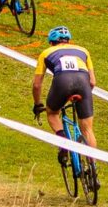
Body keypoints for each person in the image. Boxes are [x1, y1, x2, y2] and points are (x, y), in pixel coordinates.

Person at [32, 27, 98, 160]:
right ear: (69, 40)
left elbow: (37, 84)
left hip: (62, 81)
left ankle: (63, 143)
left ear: (51, 42)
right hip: (83, 83)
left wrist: (37, 104)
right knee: (87, 129)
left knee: (52, 113)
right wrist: (83, 95)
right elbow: (92, 82)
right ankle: (93, 169)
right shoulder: (83, 50)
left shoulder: (46, 53)